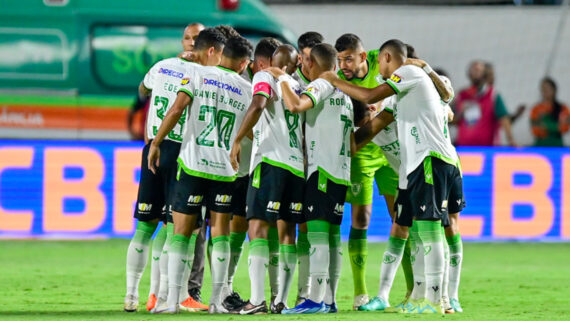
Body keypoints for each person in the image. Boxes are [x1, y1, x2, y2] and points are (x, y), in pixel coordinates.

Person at [321, 39, 462, 314]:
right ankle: (416, 297)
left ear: (386, 57)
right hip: (413, 169)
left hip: (432, 160)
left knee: (436, 230)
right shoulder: (398, 99)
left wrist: (333, 80)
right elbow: (366, 131)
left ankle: (440, 299)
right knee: (414, 230)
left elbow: (370, 95)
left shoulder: (409, 74)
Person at [148, 31, 253, 314]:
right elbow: (252, 132)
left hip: (193, 164)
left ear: (221, 53)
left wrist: (156, 142)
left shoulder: (197, 74)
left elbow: (177, 109)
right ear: (244, 63)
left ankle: (171, 301)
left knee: (180, 234)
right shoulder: (246, 89)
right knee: (220, 233)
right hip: (224, 169)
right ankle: (218, 302)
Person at [123, 22, 207, 313]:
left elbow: (142, 90)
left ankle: (137, 296)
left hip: (154, 149)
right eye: (189, 37)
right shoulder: (203, 74)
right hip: (181, 151)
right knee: (175, 229)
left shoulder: (161, 67)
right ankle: (158, 295)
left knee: (148, 227)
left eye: (195, 38)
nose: (191, 42)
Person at [267, 43, 355, 314]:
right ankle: (328, 300)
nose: (303, 66)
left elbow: (295, 106)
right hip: (341, 174)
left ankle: (314, 300)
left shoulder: (321, 85)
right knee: (331, 238)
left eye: (306, 62)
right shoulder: (346, 96)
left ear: (315, 65)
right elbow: (352, 144)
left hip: (322, 172)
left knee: (317, 238)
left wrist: (281, 77)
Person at [230, 44, 302, 314]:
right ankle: (280, 300)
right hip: (297, 168)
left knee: (258, 228)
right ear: (295, 66)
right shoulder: (297, 87)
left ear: (271, 61)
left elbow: (259, 103)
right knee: (287, 234)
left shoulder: (265, 77)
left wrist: (238, 139)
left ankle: (257, 299)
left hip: (270, 162)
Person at [334, 33, 400, 310]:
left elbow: (406, 61)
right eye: (339, 60)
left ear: (362, 56)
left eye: (348, 58)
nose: (344, 65)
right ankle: (360, 292)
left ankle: (409, 291)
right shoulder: (339, 82)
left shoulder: (377, 59)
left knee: (401, 216)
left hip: (391, 152)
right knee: (361, 218)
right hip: (362, 153)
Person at [291, 31, 324, 306]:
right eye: (304, 57)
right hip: (293, 164)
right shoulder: (293, 82)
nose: (308, 63)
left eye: (312, 57)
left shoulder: (328, 83)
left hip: (319, 165)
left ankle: (309, 292)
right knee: (290, 227)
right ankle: (286, 293)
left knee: (312, 229)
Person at [453, 60, 517, 146]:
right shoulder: (461, 95)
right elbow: (453, 120)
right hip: (465, 148)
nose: (475, 72)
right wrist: (460, 114)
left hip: (487, 149)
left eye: (478, 70)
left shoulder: (493, 95)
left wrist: (510, 140)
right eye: (473, 69)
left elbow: (504, 118)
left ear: (485, 73)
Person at [530, 77, 570, 147]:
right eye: (543, 89)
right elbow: (535, 130)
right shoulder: (536, 109)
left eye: (547, 89)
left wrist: (545, 125)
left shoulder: (562, 108)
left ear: (554, 90)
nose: (544, 92)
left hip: (557, 145)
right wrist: (556, 126)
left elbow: (564, 128)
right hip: (540, 145)